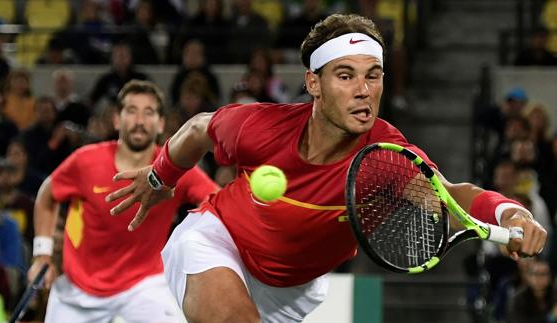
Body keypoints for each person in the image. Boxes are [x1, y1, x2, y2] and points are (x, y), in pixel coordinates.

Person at [107, 14, 547, 322]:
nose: (363, 91)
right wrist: (158, 175)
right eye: (345, 75)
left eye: (373, 75)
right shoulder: (258, 127)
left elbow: (451, 195)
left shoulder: (386, 157)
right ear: (313, 83)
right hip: (219, 242)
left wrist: (510, 213)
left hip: (293, 289)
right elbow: (200, 128)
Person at [27, 80, 218, 323]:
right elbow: (47, 196)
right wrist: (42, 254)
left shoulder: (177, 168)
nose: (139, 121)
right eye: (131, 111)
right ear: (116, 120)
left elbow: (219, 204)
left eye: (148, 113)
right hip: (78, 289)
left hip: (145, 286)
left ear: (160, 123)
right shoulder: (85, 161)